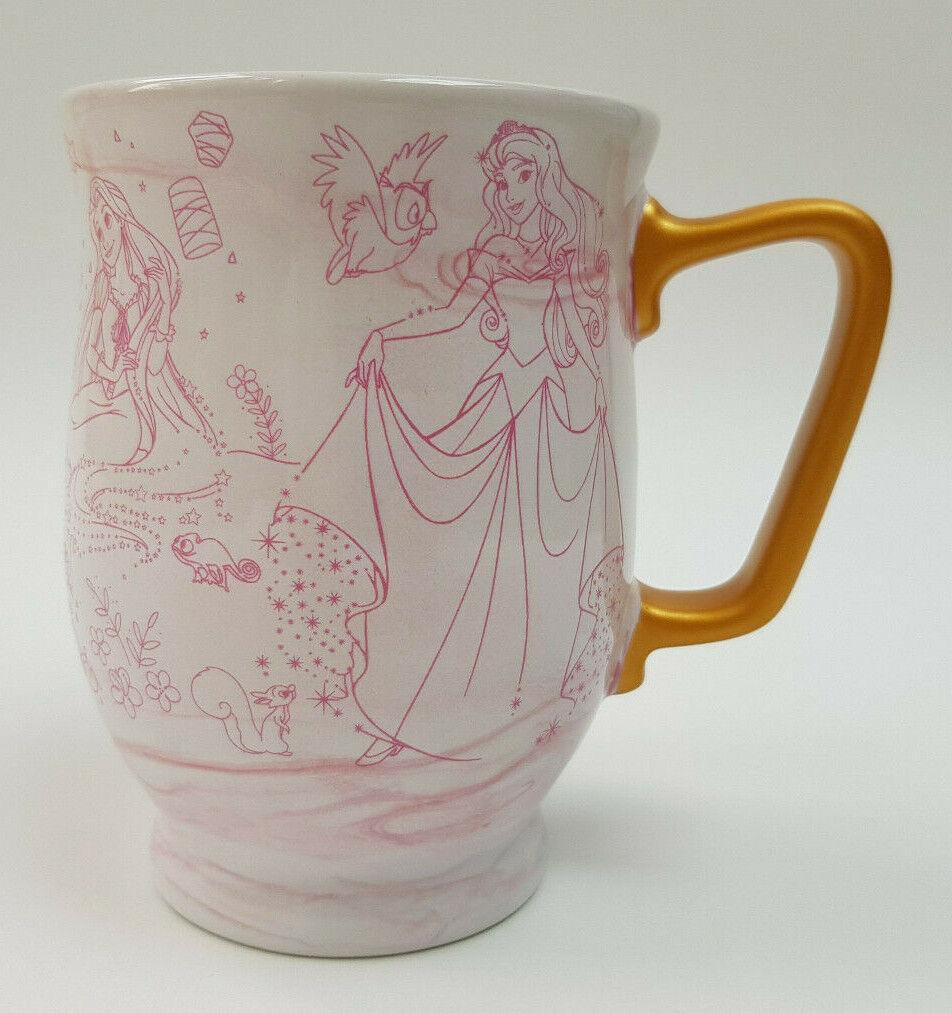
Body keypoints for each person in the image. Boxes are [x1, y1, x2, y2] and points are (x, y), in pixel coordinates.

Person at [295, 122, 624, 765]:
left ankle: (520, 717)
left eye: (526, 173)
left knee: (541, 571)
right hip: (508, 404)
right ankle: (427, 710)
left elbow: (583, 339)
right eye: (506, 174)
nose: (514, 186)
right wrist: (385, 337)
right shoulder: (495, 248)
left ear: (546, 179)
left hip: (559, 414)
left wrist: (583, 377)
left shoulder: (575, 249)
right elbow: (453, 316)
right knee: (467, 561)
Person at [70, 177, 214, 465]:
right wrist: (112, 373)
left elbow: (155, 365)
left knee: (112, 434)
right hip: (103, 393)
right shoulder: (103, 292)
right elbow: (91, 354)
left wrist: (165, 304)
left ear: (122, 221)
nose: (103, 238)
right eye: (96, 229)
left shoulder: (145, 298)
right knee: (78, 411)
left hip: (132, 403)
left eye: (107, 222)